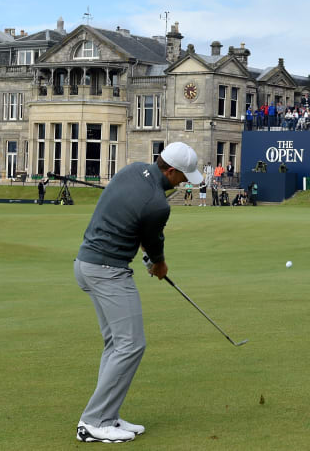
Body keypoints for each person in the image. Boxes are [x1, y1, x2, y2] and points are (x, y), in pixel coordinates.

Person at [73, 142, 203, 443]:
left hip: (86, 264)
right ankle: (93, 421)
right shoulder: (158, 203)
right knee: (131, 345)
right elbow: (153, 242)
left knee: (116, 343)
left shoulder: (133, 169)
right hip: (108, 271)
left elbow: (134, 224)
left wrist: (147, 256)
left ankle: (107, 416)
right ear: (170, 170)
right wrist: (158, 264)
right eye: (181, 177)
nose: (182, 183)